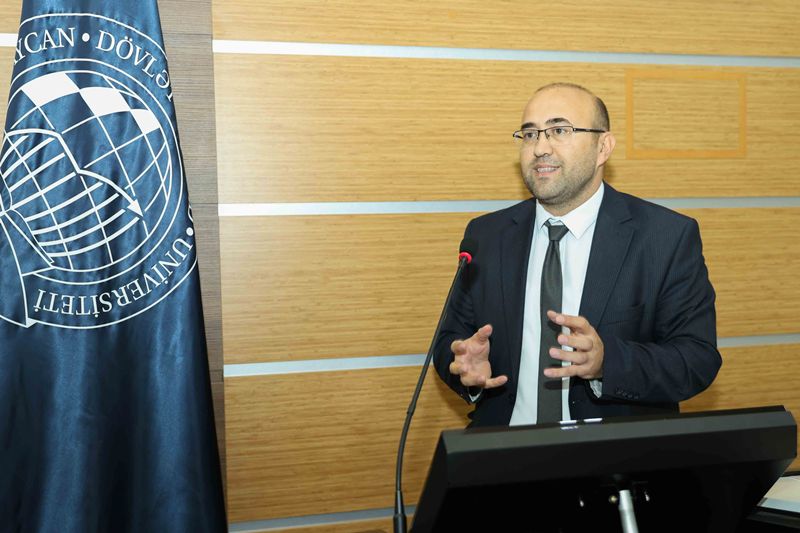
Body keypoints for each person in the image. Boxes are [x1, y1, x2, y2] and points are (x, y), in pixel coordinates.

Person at [433, 82, 721, 427]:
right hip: (503, 447)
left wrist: (607, 362)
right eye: (530, 134)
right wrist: (466, 368)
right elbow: (450, 342)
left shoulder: (665, 237)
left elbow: (696, 359)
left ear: (603, 147)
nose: (540, 148)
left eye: (559, 130)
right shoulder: (487, 235)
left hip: (612, 453)